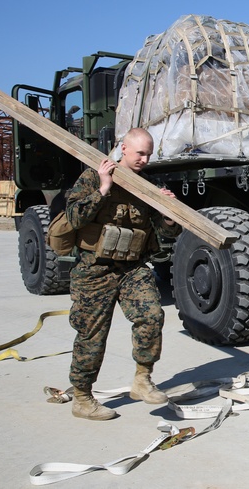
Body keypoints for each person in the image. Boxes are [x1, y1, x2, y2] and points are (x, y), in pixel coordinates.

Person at [64, 128, 182, 420]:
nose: (144, 159)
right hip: (95, 269)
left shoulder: (148, 185)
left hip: (131, 268)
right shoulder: (93, 176)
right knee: (92, 334)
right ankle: (81, 397)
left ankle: (142, 380)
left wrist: (168, 214)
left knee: (152, 316)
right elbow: (74, 217)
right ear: (123, 149)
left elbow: (165, 232)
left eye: (149, 154)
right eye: (139, 152)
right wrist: (103, 188)